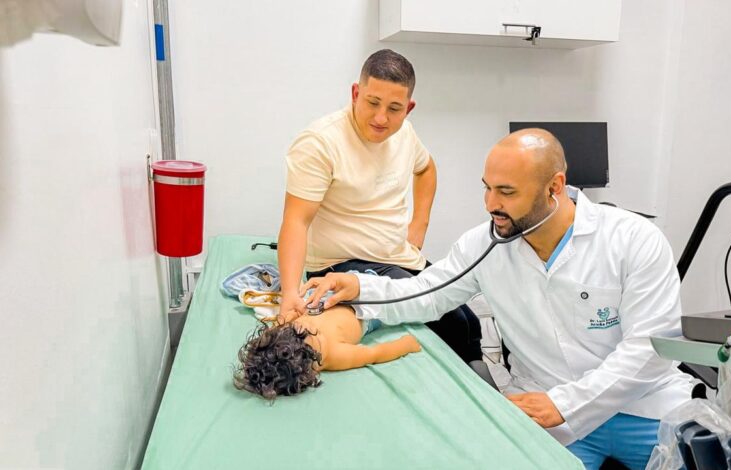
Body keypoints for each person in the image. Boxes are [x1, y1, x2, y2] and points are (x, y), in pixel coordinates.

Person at [300, 128, 694, 469]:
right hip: (542, 407)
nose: (491, 204)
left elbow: (649, 349)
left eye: (506, 192)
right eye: (487, 188)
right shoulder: (484, 244)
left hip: (643, 406)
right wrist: (360, 287)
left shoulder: (633, 240)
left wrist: (566, 404)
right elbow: (427, 293)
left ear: (554, 187)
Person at [276, 48, 482, 363]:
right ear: (355, 93)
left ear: (408, 108)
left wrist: (419, 225)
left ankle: (486, 388)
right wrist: (291, 292)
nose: (381, 118)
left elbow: (426, 169)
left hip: (398, 256)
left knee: (470, 322)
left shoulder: (405, 134)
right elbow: (296, 221)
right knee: (453, 325)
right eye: (372, 103)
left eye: (394, 108)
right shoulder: (320, 143)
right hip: (342, 264)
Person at [233, 305, 421, 400]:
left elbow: (289, 315)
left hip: (333, 294)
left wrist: (293, 313)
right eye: (316, 340)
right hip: (369, 312)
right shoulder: (334, 355)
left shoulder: (283, 335)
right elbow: (375, 354)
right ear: (312, 371)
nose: (313, 327)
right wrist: (405, 345)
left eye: (302, 328)